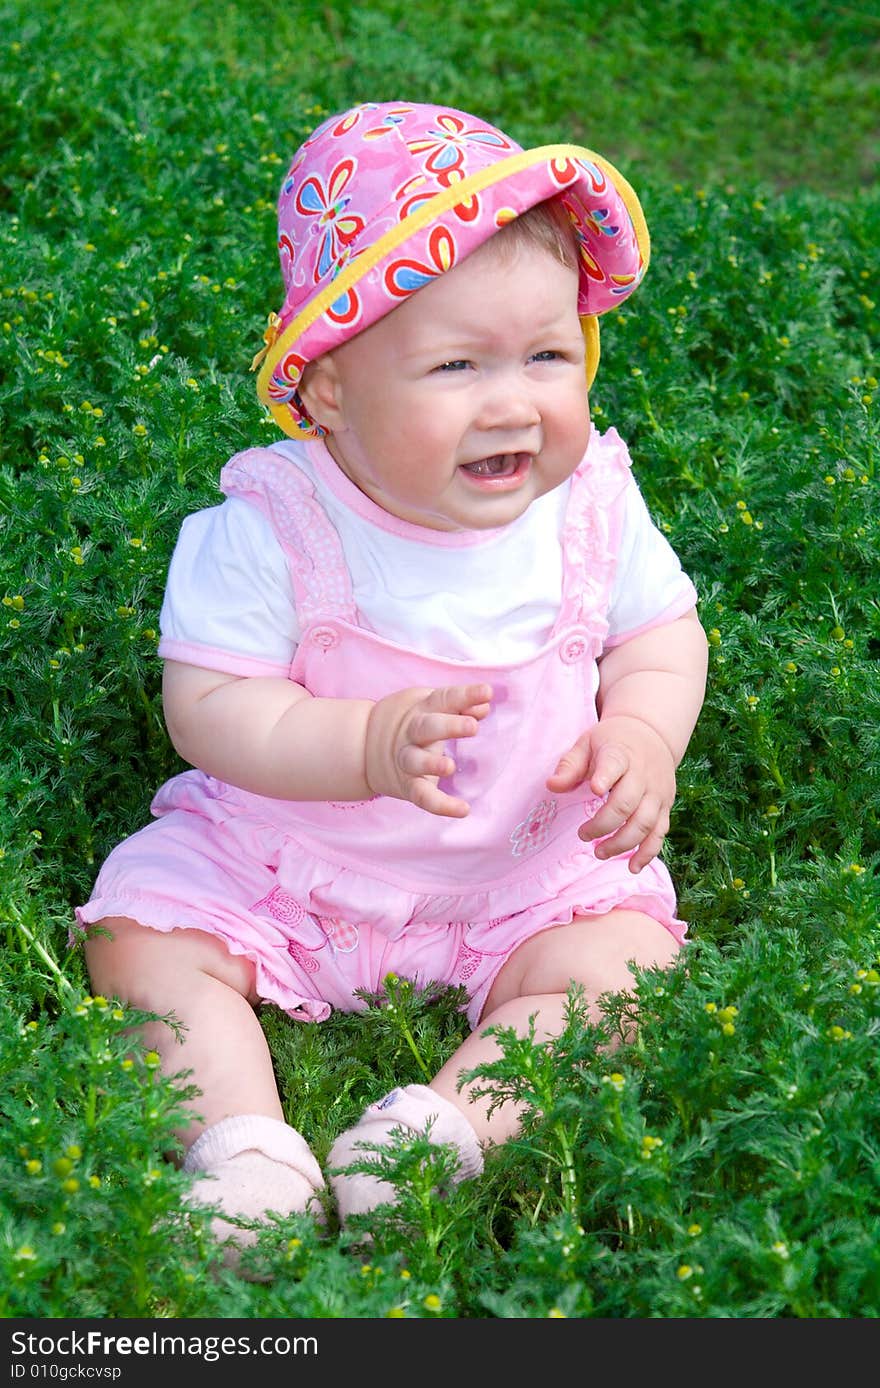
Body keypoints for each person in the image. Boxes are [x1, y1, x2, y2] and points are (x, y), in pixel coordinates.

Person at [75, 100, 708, 1256]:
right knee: (139, 931)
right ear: (327, 392)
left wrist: (646, 735)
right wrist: (361, 745)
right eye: (456, 364)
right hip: (287, 858)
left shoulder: (590, 509)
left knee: (626, 970)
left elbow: (662, 635)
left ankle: (434, 1135)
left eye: (547, 355)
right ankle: (242, 1148)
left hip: (528, 867)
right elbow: (206, 707)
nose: (512, 400)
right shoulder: (273, 525)